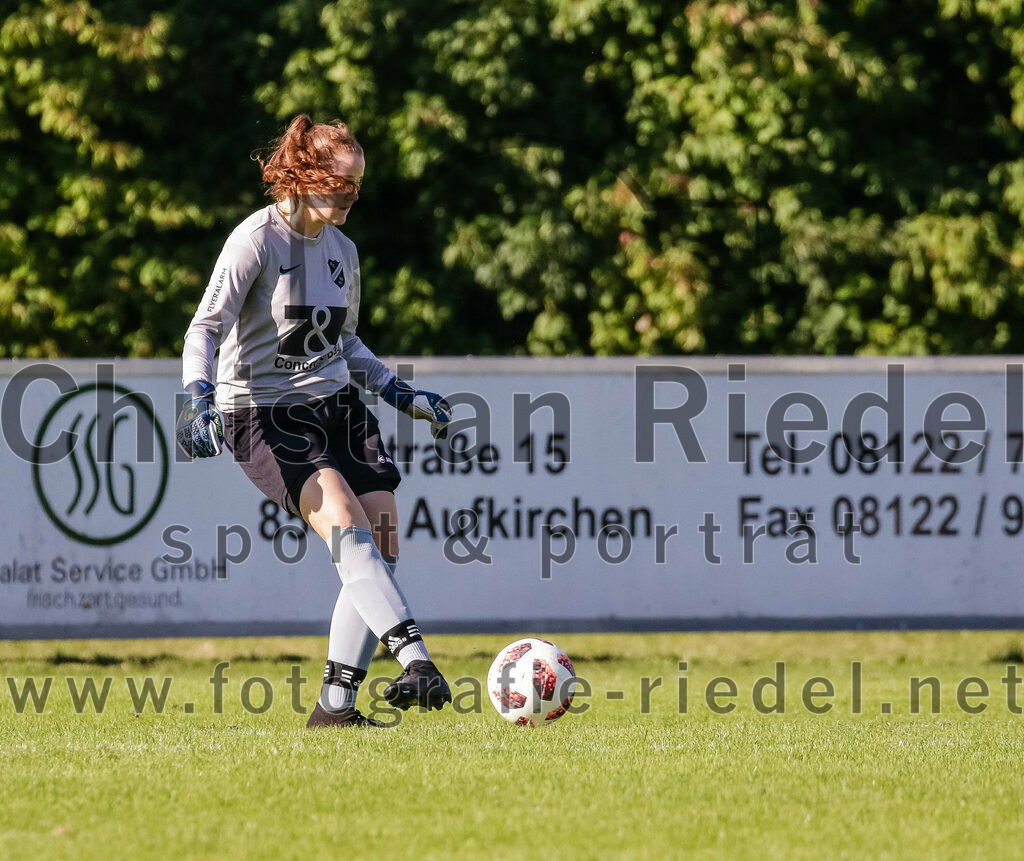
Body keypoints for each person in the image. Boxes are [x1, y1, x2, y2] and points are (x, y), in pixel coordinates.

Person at [175, 115, 453, 728]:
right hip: (265, 414)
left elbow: (344, 344)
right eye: (343, 183)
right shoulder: (255, 240)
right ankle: (415, 658)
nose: (353, 195)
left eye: (359, 186)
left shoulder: (343, 250)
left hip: (339, 408)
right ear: (305, 175)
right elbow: (205, 326)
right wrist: (197, 394)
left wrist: (398, 391)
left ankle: (335, 707)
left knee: (381, 539)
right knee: (346, 526)